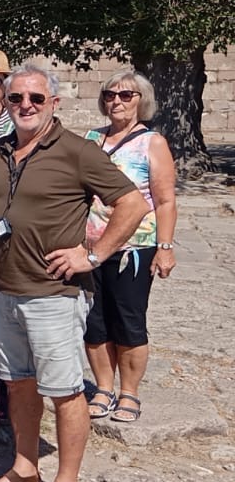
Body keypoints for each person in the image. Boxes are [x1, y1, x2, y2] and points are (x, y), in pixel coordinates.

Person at [0, 62, 148, 482]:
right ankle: (25, 469)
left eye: (35, 98)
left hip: (53, 292)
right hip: (6, 290)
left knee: (65, 390)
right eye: (17, 99)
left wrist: (93, 255)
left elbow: (132, 203)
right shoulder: (1, 151)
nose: (25, 106)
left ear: (54, 103)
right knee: (19, 384)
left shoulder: (76, 151)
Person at [83, 70, 177, 426]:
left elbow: (166, 200)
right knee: (94, 321)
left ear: (141, 101)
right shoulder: (92, 139)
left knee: (128, 320)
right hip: (91, 245)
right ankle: (104, 388)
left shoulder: (152, 143)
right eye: (110, 95)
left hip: (134, 248)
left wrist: (165, 247)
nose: (117, 101)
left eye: (126, 95)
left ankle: (130, 392)